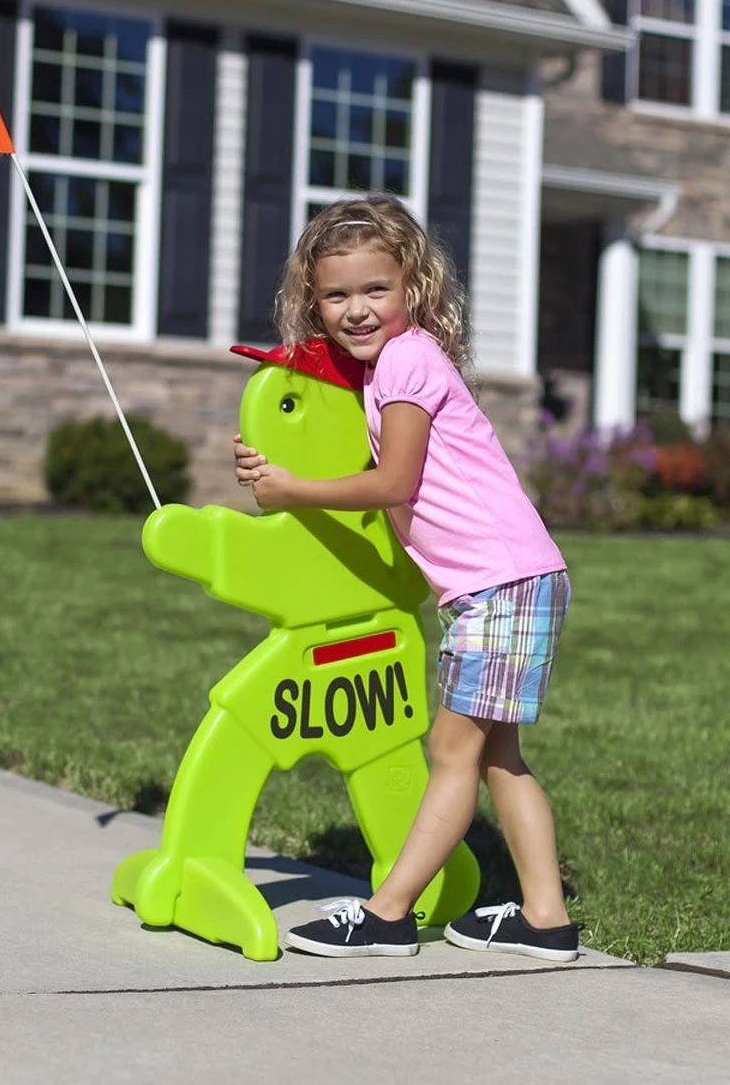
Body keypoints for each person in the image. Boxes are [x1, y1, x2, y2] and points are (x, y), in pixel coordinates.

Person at [233, 194, 579, 962]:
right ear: (312, 301)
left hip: (499, 585)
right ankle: (546, 919)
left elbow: (393, 483)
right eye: (336, 295)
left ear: (412, 288)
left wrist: (290, 492)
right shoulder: (398, 363)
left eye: (375, 290)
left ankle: (388, 914)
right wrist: (276, 468)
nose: (356, 309)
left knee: (454, 755)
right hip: (512, 581)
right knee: (497, 757)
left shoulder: (406, 361)